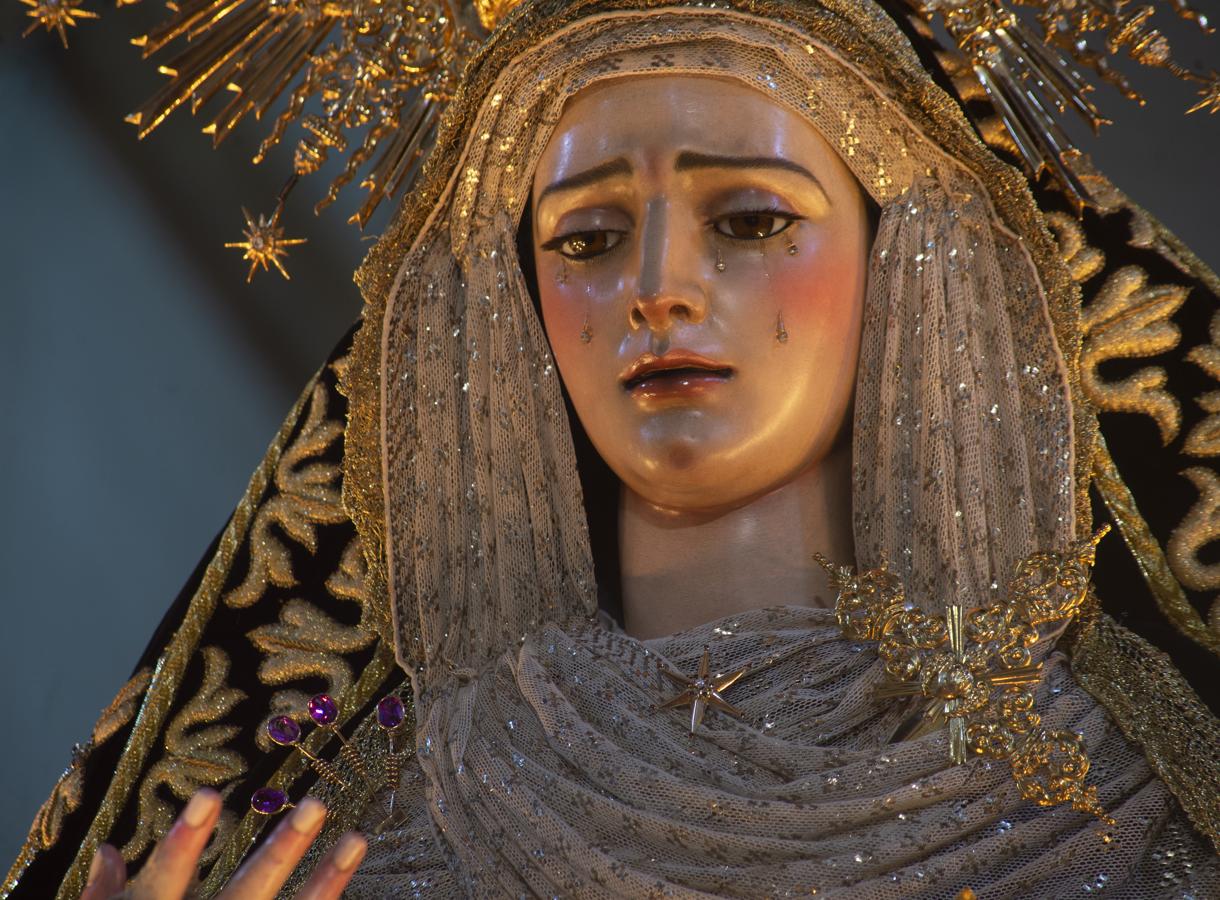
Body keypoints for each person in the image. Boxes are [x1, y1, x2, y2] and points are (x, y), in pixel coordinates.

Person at [6, 0, 1219, 897]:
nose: (654, 289)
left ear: (914, 263)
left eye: (748, 219)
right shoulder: (346, 845)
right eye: (583, 239)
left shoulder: (1151, 799)